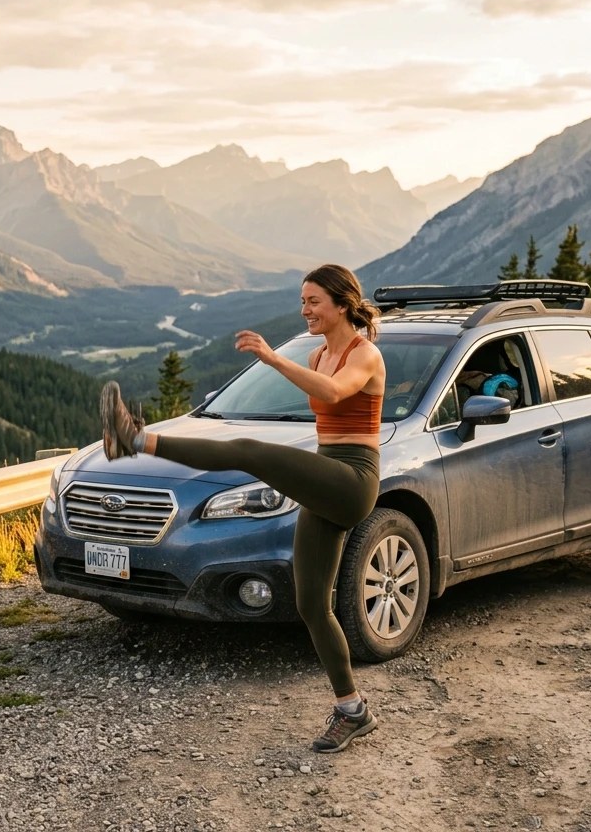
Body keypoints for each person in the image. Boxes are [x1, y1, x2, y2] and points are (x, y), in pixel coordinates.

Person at [100, 263, 385, 753]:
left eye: (314, 301)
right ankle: (352, 710)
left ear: (342, 305)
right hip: (325, 474)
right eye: (302, 301)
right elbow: (315, 398)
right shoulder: (318, 354)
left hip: (354, 478)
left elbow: (336, 393)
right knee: (311, 604)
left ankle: (135, 438)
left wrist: (273, 359)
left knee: (248, 452)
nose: (305, 310)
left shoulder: (365, 354)